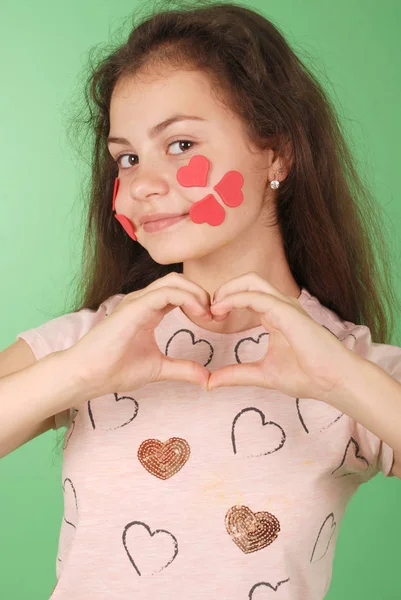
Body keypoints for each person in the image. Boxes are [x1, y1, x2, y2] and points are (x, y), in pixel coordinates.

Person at [1, 2, 400, 599]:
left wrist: (339, 379)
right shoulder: (95, 341)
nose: (142, 183)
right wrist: (80, 372)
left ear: (277, 153)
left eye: (181, 143)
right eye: (127, 158)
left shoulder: (353, 366)